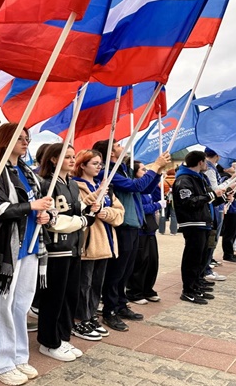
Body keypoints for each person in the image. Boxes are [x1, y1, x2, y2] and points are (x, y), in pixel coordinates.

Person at [0, 123, 52, 385]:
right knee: (2, 306)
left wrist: (43, 213)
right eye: (19, 138)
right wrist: (30, 206)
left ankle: (19, 356)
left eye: (27, 138)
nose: (25, 142)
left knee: (21, 304)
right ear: (6, 140)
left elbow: (39, 203)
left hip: (32, 245)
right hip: (6, 249)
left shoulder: (28, 173)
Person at [92, 139, 169, 332]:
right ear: (110, 153)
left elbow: (144, 189)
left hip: (135, 225)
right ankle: (110, 311)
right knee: (116, 272)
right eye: (118, 144)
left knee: (126, 271)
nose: (122, 146)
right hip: (123, 226)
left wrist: (157, 172)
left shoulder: (122, 170)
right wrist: (156, 166)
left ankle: (120, 304)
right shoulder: (107, 173)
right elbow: (136, 187)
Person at [36, 143, 98, 362]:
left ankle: (62, 337)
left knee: (69, 297)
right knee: (54, 298)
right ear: (53, 159)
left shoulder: (72, 184)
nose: (73, 160)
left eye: (73, 156)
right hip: (56, 249)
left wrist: (90, 209)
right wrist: (82, 220)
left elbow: (77, 209)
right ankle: (48, 341)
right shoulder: (46, 184)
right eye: (67, 157)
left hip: (73, 248)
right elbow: (52, 220)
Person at [72, 149, 124, 340]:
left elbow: (119, 213)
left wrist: (104, 213)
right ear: (82, 165)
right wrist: (97, 195)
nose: (98, 167)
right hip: (89, 241)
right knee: (84, 283)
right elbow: (80, 208)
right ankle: (81, 319)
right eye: (94, 163)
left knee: (96, 284)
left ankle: (91, 315)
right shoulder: (76, 185)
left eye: (100, 163)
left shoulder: (107, 187)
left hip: (106, 241)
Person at [173, 151, 230, 305]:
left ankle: (196, 285)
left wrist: (222, 197)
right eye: (205, 162)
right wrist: (212, 196)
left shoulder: (199, 179)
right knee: (192, 259)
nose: (207, 164)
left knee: (201, 258)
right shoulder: (184, 179)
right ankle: (188, 290)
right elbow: (190, 202)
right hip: (193, 223)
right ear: (199, 162)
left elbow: (207, 201)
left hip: (203, 222)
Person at [126, 160, 165, 305]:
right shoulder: (135, 188)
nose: (146, 172)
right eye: (142, 170)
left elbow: (154, 192)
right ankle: (135, 291)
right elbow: (142, 208)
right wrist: (156, 205)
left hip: (150, 230)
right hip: (140, 230)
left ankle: (148, 289)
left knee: (152, 262)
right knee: (140, 263)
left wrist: (158, 173)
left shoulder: (145, 188)